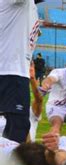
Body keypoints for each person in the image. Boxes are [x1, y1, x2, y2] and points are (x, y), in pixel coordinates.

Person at [0, 0, 41, 143]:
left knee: (17, 129)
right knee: (17, 130)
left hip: (13, 72)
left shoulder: (30, 7)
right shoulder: (19, 3)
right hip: (10, 73)